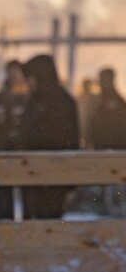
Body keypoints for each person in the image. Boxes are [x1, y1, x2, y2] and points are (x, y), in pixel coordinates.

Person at [13, 54, 80, 219]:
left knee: (49, 220)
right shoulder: (34, 100)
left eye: (30, 78)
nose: (28, 83)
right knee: (32, 220)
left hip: (53, 172)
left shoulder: (61, 101)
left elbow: (64, 138)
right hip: (32, 171)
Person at [0, 60, 30, 219]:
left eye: (16, 72)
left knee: (28, 190)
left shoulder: (29, 98)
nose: (13, 76)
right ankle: (4, 223)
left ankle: (28, 224)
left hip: (25, 151)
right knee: (3, 190)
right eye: (10, 72)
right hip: (2, 150)